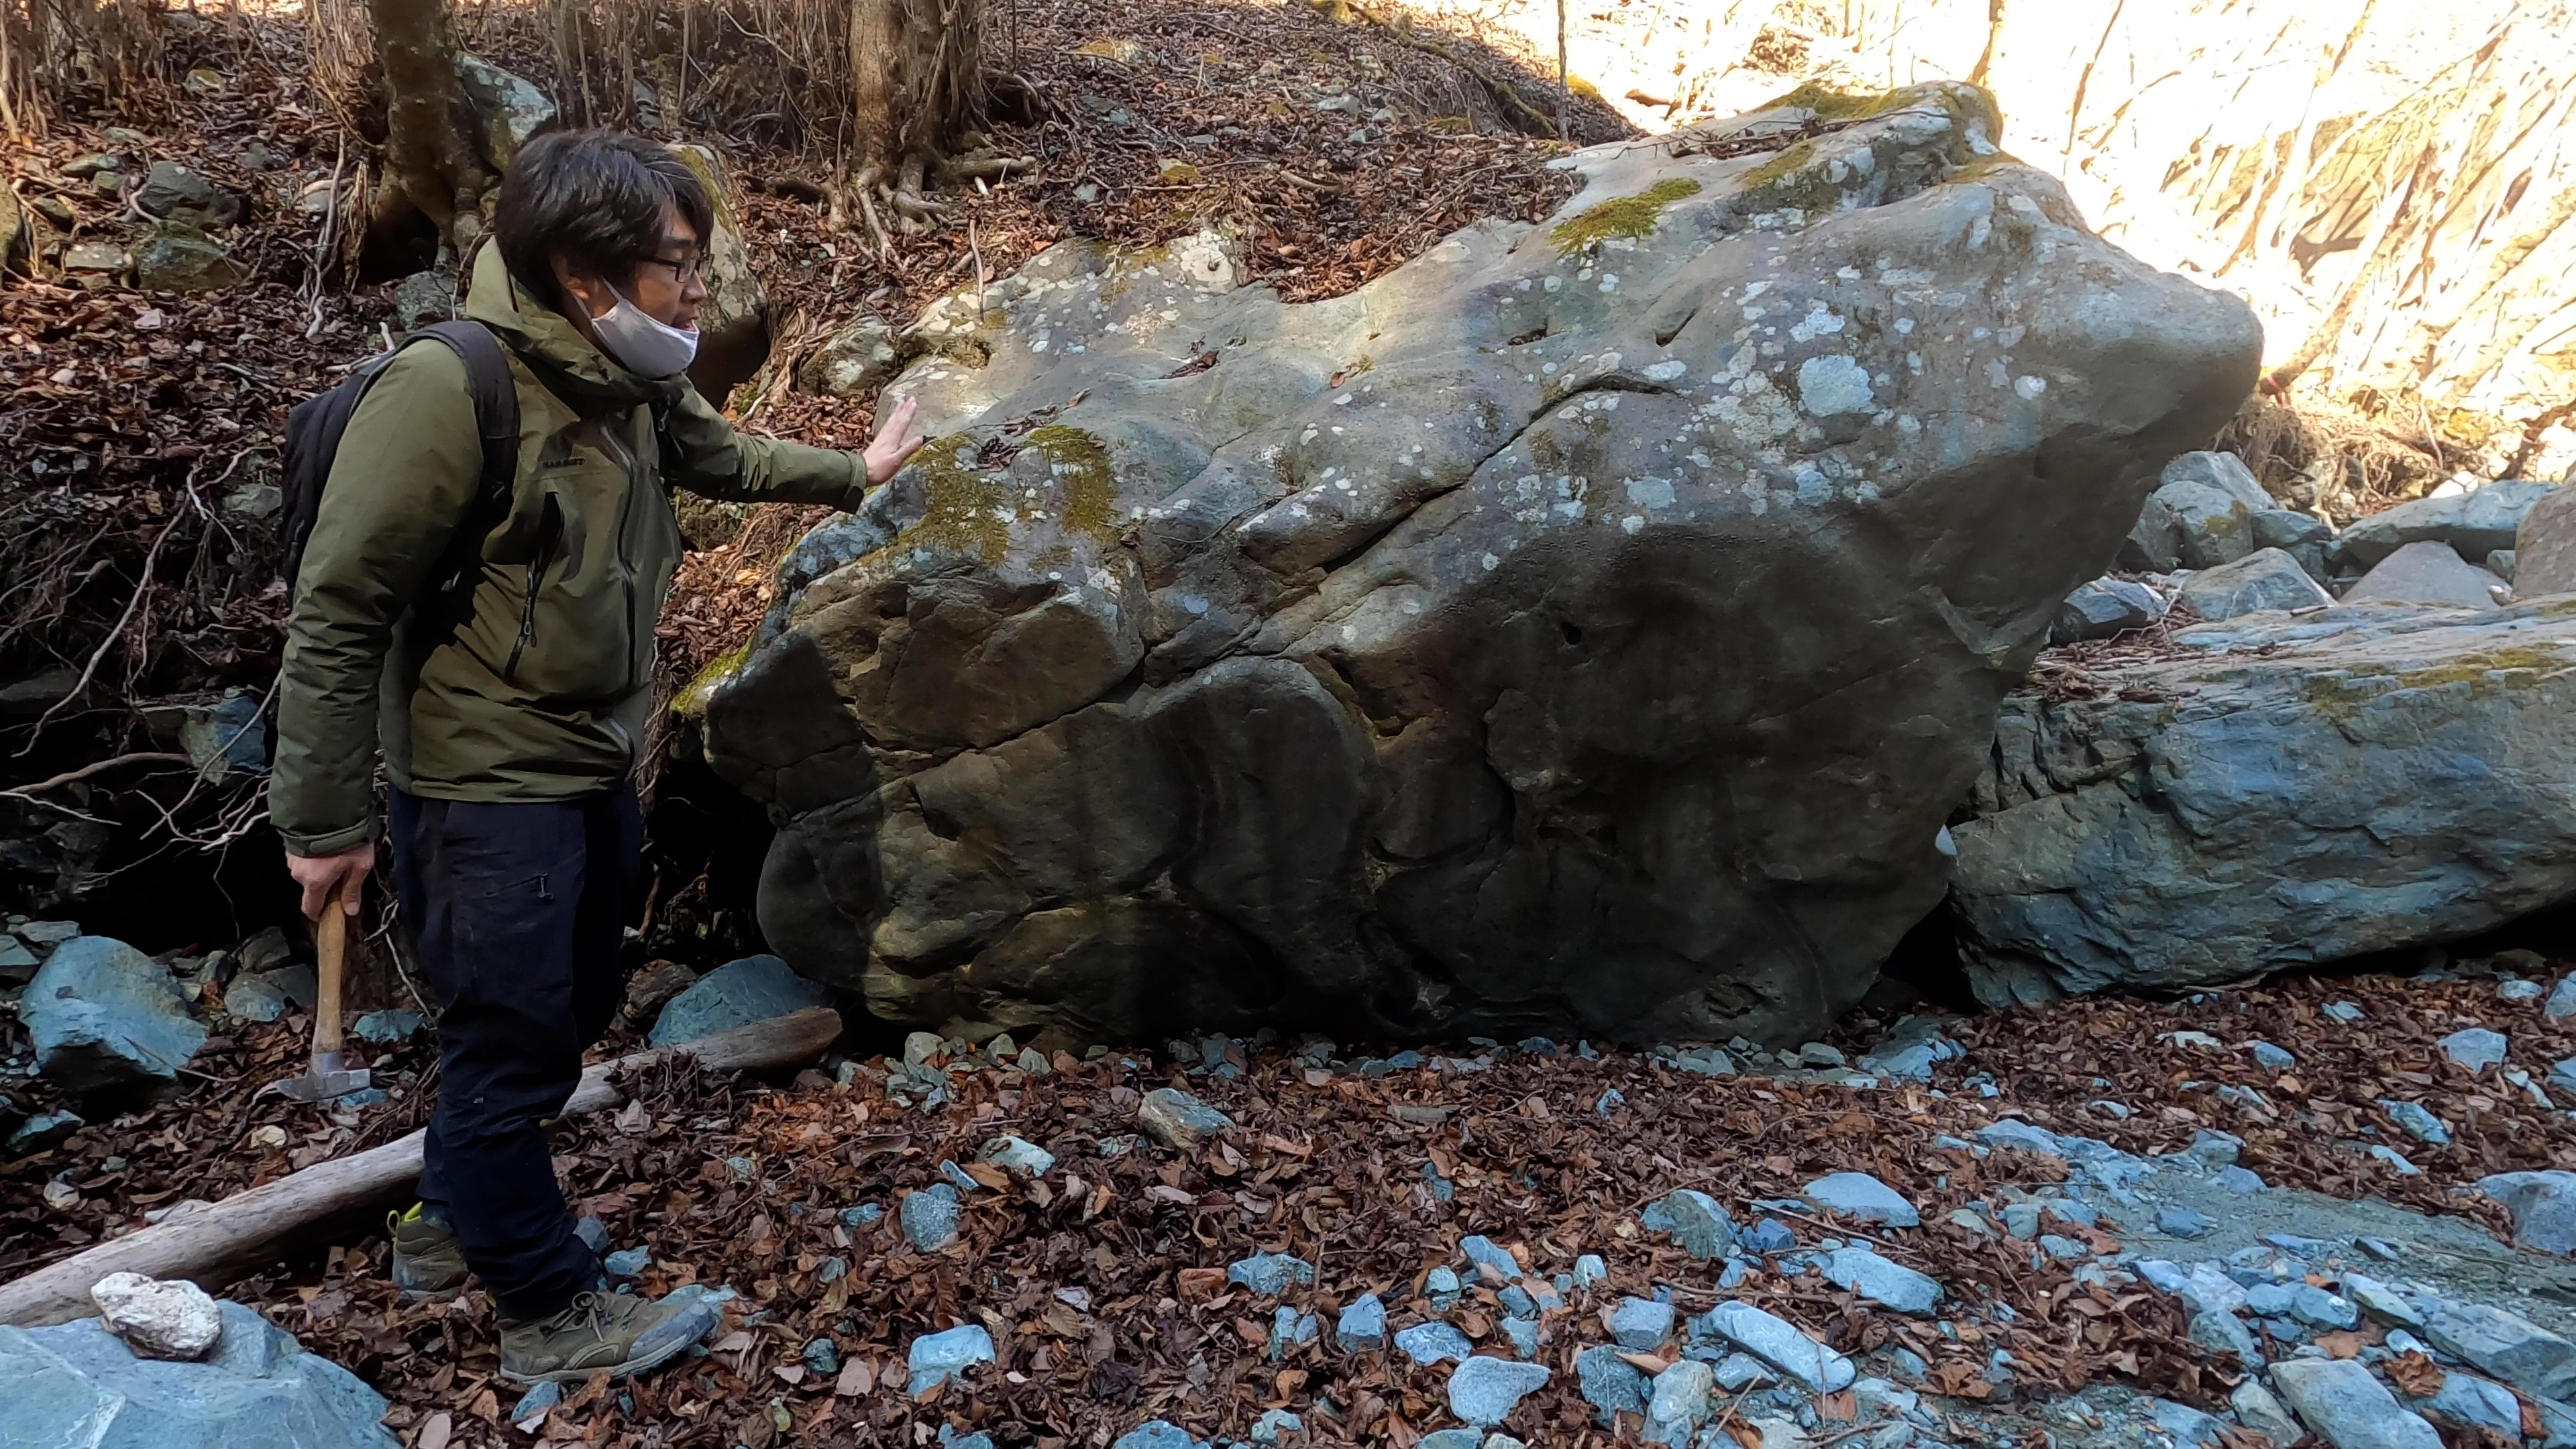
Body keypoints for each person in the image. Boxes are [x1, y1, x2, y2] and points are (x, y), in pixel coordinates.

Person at [271, 129, 922, 1384]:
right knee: (513, 1040)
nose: (698, 291)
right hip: (481, 786)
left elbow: (720, 455)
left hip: (591, 762)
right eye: (678, 266)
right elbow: (340, 609)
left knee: (565, 1014)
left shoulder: (626, 373)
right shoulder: (448, 391)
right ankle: (545, 1309)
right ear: (584, 273)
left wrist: (857, 472)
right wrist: (323, 822)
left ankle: (449, 1219)